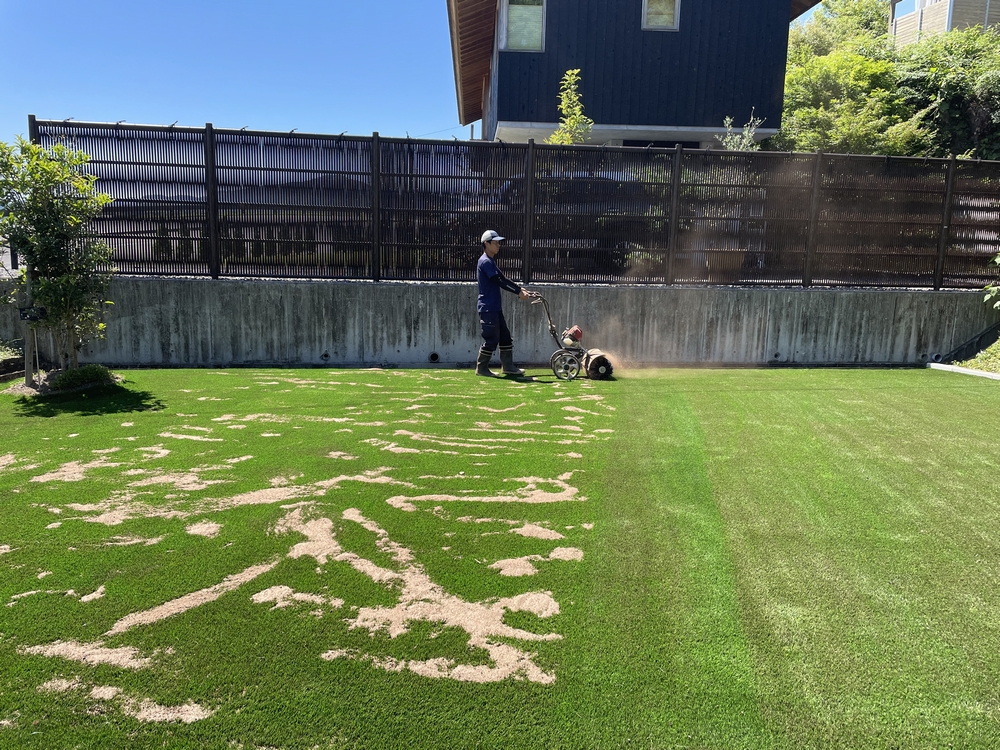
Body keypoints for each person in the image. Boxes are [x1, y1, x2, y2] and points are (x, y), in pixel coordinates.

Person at [476, 229, 533, 377]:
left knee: (505, 337)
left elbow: (503, 278)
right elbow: (498, 281)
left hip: (494, 307)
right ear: (486, 244)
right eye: (495, 243)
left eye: (498, 243)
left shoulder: (490, 261)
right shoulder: (485, 262)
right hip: (488, 308)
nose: (498, 245)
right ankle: (481, 368)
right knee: (491, 338)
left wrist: (519, 289)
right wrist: (518, 292)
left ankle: (508, 366)